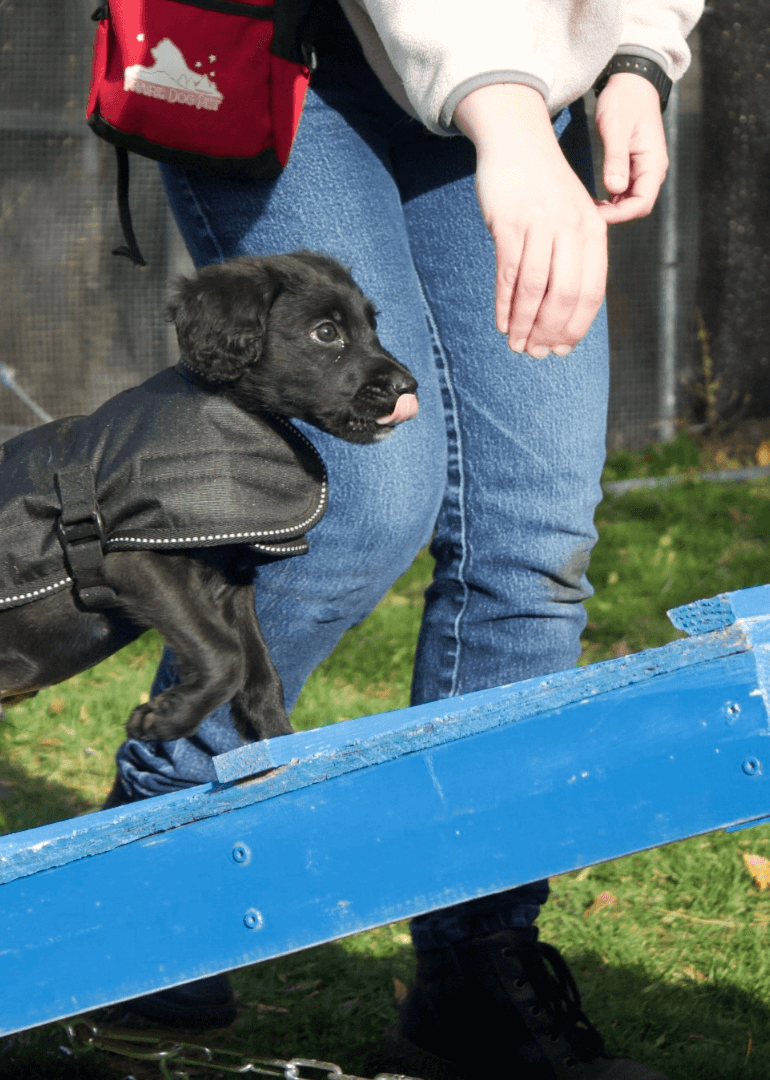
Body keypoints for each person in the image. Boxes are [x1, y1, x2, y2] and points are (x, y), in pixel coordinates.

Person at [100, 1, 703, 1076]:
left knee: (532, 538)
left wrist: (632, 56)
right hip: (291, 47)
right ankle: (147, 864)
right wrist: (508, 115)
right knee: (364, 498)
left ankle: (476, 966)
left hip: (510, 72)